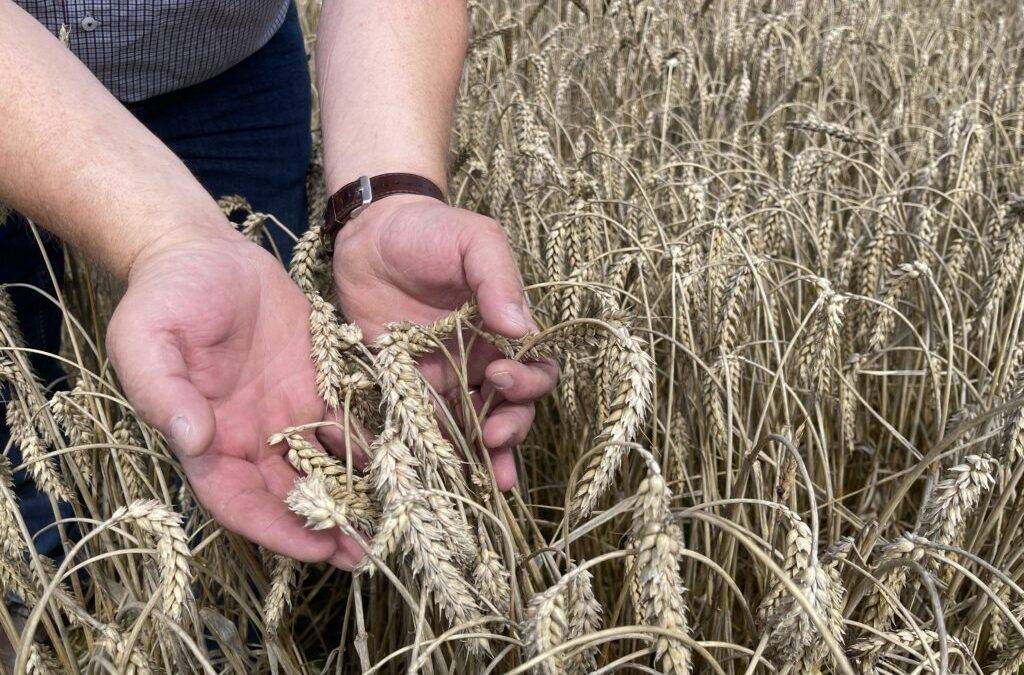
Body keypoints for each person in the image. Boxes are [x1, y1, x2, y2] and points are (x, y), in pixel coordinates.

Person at [0, 0, 557, 579]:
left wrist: (388, 193)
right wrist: (169, 236)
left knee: (242, 406)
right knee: (14, 362)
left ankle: (221, 591)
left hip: (229, 72)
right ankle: (31, 561)